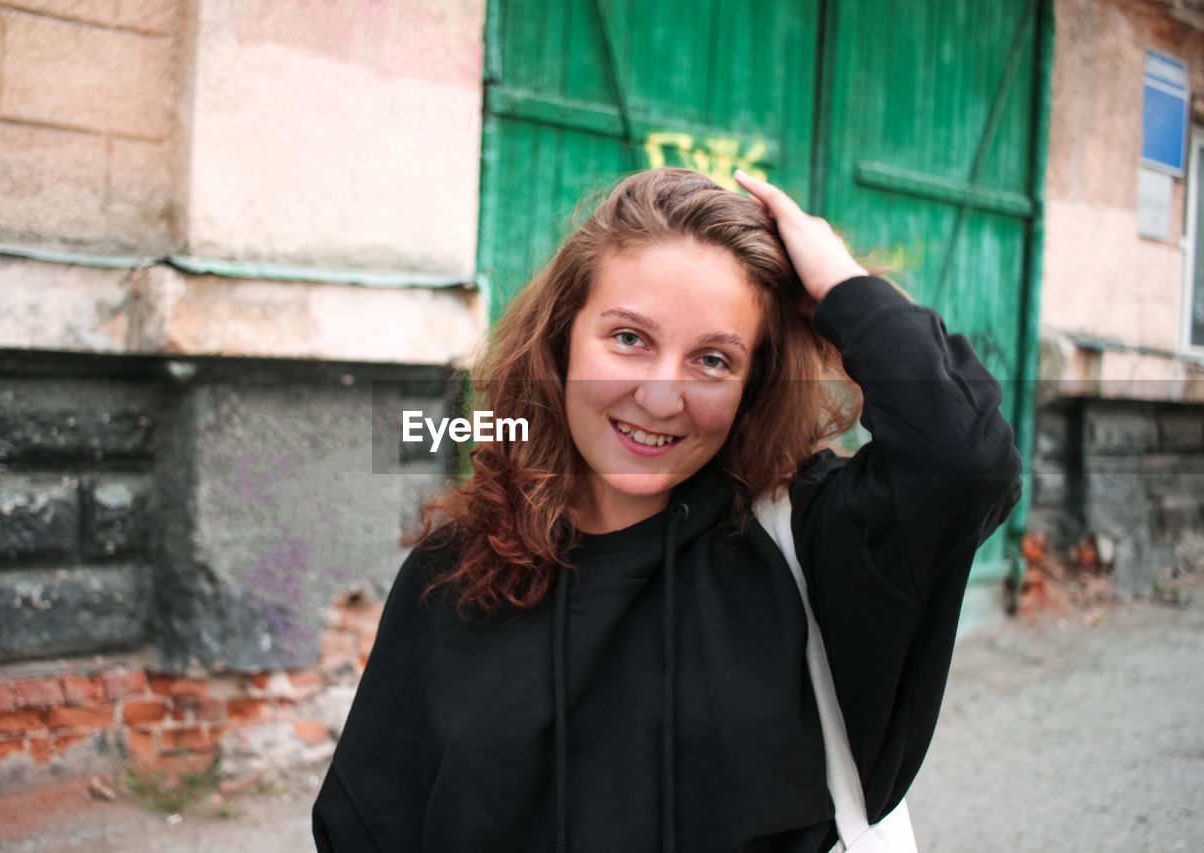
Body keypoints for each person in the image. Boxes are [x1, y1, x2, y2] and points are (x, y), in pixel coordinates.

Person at [313, 167, 1021, 852]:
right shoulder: (455, 568)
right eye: (629, 339)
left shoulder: (812, 543)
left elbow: (964, 459)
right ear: (561, 340)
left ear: (755, 381)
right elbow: (367, 826)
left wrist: (842, 286)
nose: (660, 397)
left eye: (713, 359)